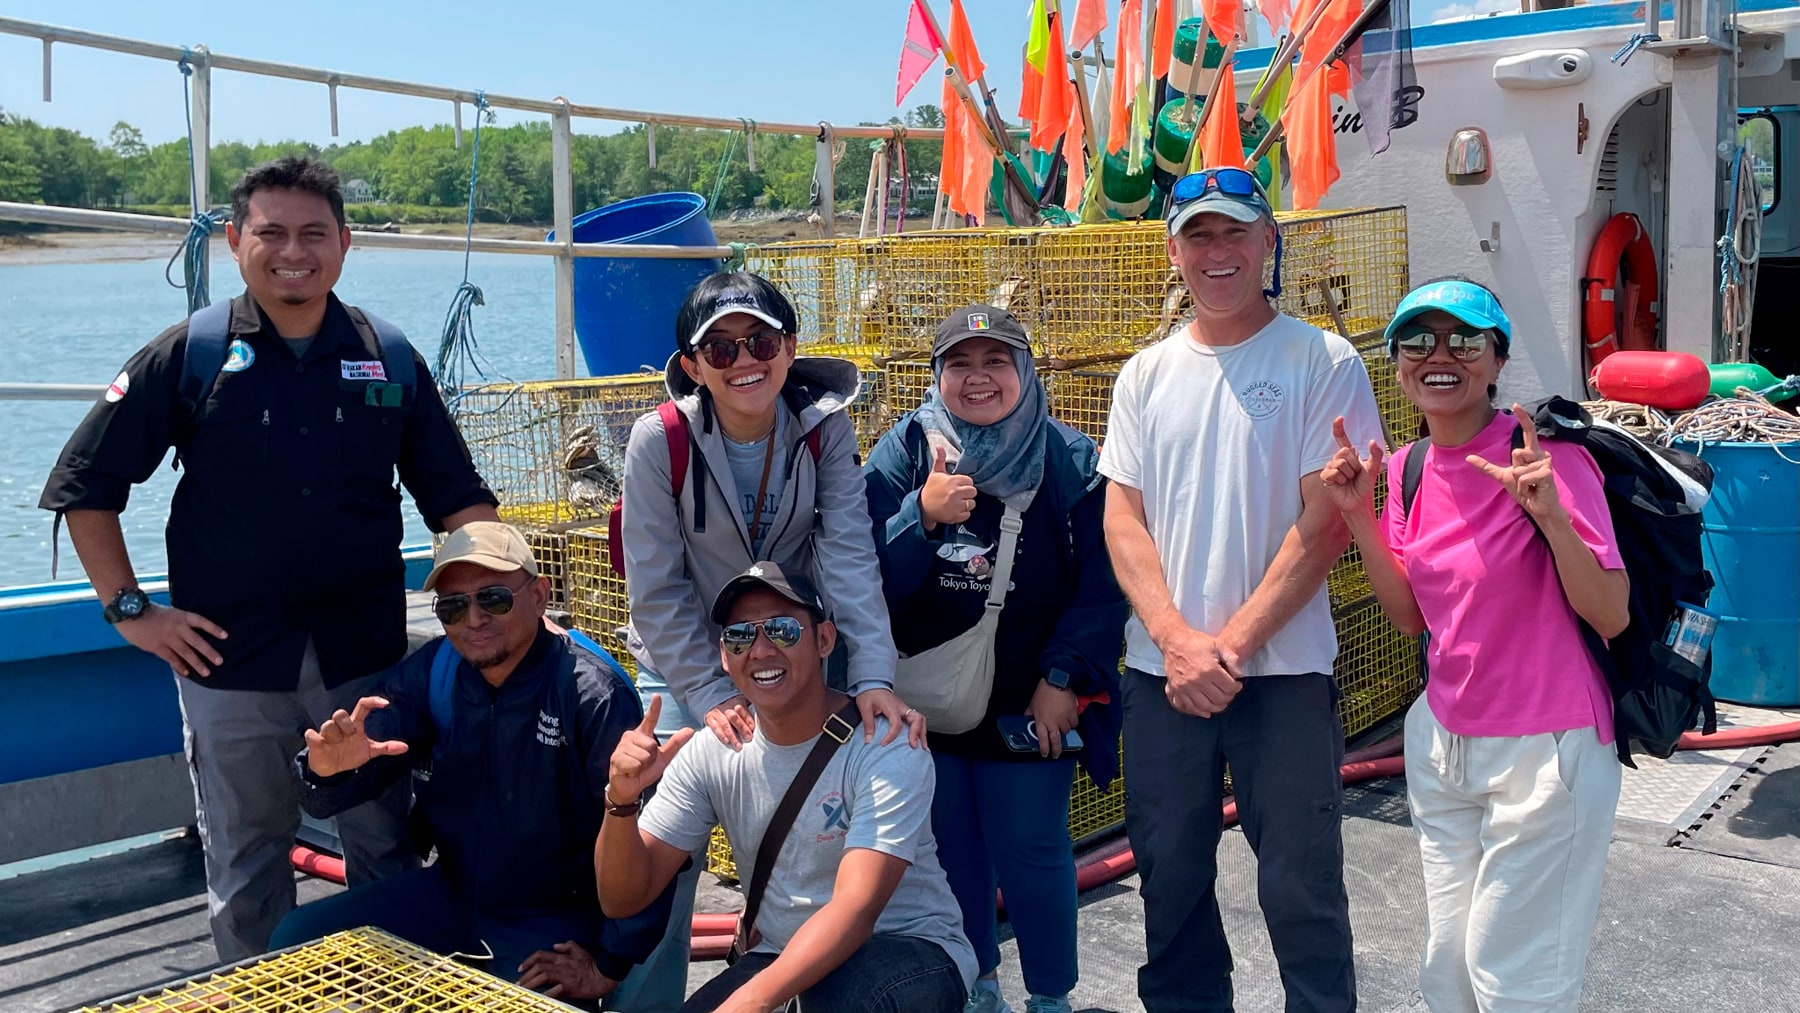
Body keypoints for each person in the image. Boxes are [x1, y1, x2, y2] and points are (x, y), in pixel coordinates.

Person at [38, 156, 499, 961]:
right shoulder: (191, 354)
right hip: (228, 659)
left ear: (346, 244)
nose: (295, 251)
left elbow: (460, 502)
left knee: (384, 846)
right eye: (272, 232)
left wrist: (495, 603)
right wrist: (131, 613)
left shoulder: (388, 357)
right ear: (233, 240)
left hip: (364, 658)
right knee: (248, 858)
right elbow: (87, 487)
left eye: (314, 232)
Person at [1098, 167, 1383, 1012]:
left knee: (1301, 889)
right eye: (1199, 236)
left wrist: (1227, 645)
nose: (1217, 253)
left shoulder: (1320, 360)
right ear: (1173, 251)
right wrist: (1177, 643)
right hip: (1163, 679)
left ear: (1268, 241)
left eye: (1234, 233)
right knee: (1170, 881)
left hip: (1283, 678)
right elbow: (1124, 519)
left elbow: (1327, 522)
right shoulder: (1144, 375)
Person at [610, 270, 926, 1011]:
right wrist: (715, 693)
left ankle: (792, 963)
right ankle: (651, 999)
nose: (741, 358)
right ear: (691, 366)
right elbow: (655, 591)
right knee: (669, 844)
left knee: (827, 800)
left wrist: (874, 673)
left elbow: (848, 555)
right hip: (690, 654)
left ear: (789, 348)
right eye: (717, 348)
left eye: (759, 339)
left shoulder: (824, 428)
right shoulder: (660, 440)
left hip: (788, 636)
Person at [1320, 278, 1628, 1012]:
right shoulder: (1407, 469)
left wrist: (1550, 515)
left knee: (1515, 978)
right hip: (1445, 743)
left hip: (1545, 750)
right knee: (1448, 973)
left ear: (1496, 361)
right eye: (1418, 340)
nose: (1440, 354)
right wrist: (1361, 516)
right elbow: (1409, 618)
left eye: (1464, 339)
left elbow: (1611, 613)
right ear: (1397, 365)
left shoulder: (1546, 459)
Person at [270, 522, 674, 1006]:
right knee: (295, 940)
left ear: (540, 595)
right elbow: (340, 778)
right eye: (453, 606)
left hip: (552, 921)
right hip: (451, 897)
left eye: (495, 598)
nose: (474, 619)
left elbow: (654, 842)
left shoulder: (592, 694)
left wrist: (608, 963)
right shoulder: (435, 672)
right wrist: (325, 770)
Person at [863, 304, 1128, 1013]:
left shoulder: (1070, 461)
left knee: (1034, 847)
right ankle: (978, 984)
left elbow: (1105, 586)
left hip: (1029, 702)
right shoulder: (906, 452)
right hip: (924, 700)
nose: (978, 379)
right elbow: (857, 574)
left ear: (1025, 370)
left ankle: (1049, 996)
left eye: (995, 361)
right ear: (937, 375)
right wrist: (919, 515)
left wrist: (1064, 678)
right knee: (950, 853)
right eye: (960, 364)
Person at [597, 562, 976, 1013]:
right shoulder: (711, 752)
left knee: (843, 1003)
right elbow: (623, 898)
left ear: (824, 640)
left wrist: (753, 1002)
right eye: (740, 635)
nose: (760, 650)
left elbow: (856, 910)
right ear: (723, 654)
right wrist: (620, 800)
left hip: (908, 947)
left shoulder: (885, 744)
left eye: (782, 630)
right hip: (780, 953)